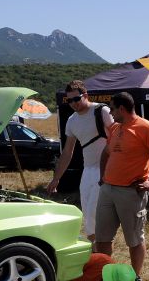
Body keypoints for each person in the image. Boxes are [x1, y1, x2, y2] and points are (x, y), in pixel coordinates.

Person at [93, 91, 149, 281]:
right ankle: (106, 276)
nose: (110, 113)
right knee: (102, 238)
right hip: (108, 190)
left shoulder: (147, 128)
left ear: (122, 108)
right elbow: (106, 154)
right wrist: (102, 178)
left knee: (134, 238)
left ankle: (136, 277)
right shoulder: (115, 128)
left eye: (112, 109)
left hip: (130, 193)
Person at [47, 80, 114, 241]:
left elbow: (119, 138)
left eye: (76, 99)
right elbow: (67, 152)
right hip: (88, 171)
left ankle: (101, 253)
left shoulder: (102, 111)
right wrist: (56, 178)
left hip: (106, 170)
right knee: (88, 217)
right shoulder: (72, 121)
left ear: (85, 95)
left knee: (94, 212)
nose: (73, 104)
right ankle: (95, 251)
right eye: (69, 101)